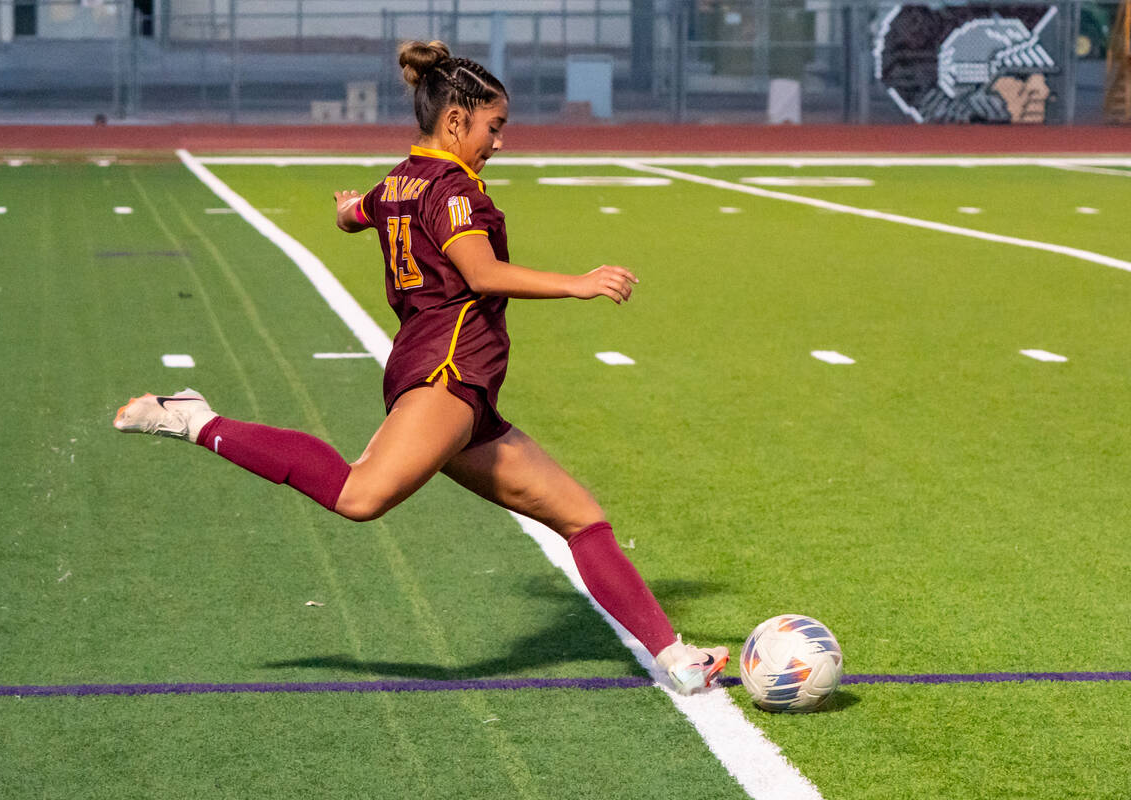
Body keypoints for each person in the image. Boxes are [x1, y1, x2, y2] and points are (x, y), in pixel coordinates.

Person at [114, 40, 728, 695]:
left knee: (582, 518)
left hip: (461, 388)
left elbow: (357, 214)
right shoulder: (454, 191)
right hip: (445, 372)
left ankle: (676, 658)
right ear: (456, 120)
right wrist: (576, 283)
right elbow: (481, 273)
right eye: (494, 127)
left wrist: (345, 210)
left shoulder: (399, 179)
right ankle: (195, 419)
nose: (500, 143)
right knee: (360, 495)